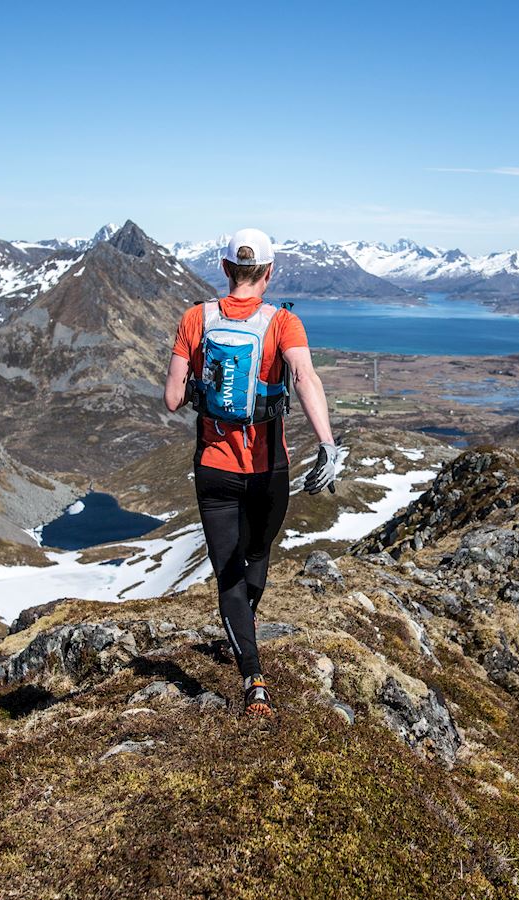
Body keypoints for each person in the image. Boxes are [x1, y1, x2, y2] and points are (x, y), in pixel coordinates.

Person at [163, 228, 339, 719]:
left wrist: (203, 389)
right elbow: (305, 378)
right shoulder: (283, 322)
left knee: (227, 572)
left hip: (214, 467)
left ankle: (252, 677)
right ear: (269, 272)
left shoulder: (196, 318)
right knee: (257, 552)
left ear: (223, 269)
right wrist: (327, 444)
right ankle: (246, 637)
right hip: (269, 467)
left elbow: (173, 398)